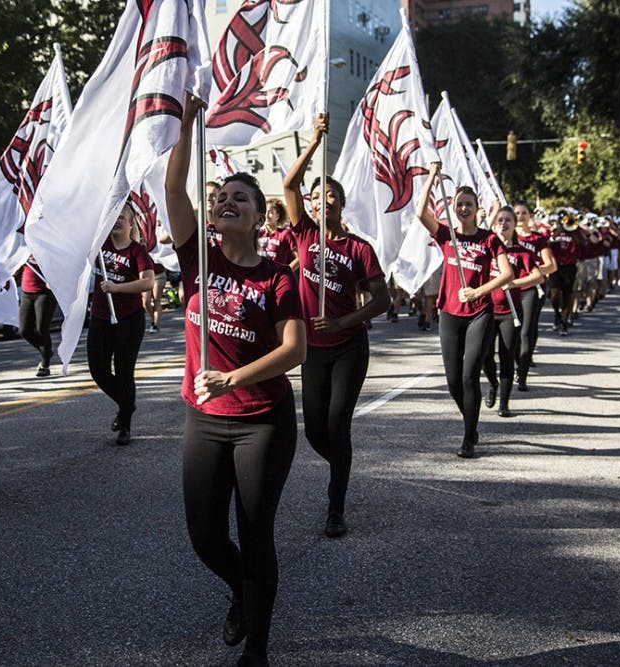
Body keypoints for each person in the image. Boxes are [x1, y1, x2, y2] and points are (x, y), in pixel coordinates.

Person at [166, 95, 305, 667]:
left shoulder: (277, 279)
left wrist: (233, 379)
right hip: (205, 419)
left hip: (261, 423)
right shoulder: (198, 256)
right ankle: (242, 591)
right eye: (220, 198)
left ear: (257, 213)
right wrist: (186, 124)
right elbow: (175, 191)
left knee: (255, 532)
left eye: (238, 199)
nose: (225, 203)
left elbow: (295, 349)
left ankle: (259, 647)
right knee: (204, 535)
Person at [283, 113, 391, 537]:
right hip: (312, 348)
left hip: (348, 345)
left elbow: (382, 300)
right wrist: (313, 141)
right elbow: (289, 186)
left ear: (341, 204)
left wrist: (344, 320)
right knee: (313, 429)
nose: (320, 200)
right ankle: (342, 465)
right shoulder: (305, 235)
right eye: (316, 197)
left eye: (329, 195)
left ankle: (336, 506)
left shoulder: (358, 248)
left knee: (337, 423)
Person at [416, 164, 512, 458]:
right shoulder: (446, 235)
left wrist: (478, 291)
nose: (464, 208)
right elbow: (420, 214)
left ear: (477, 208)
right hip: (450, 312)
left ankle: (468, 436)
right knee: (453, 381)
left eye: (469, 204)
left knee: (470, 376)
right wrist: (432, 177)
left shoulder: (489, 239)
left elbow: (506, 274)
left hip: (479, 312)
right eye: (460, 204)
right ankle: (470, 416)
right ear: (454, 208)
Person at [87, 204, 155, 445]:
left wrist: (117, 288)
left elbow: (147, 282)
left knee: (124, 371)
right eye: (113, 217)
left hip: (129, 319)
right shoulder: (98, 247)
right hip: (101, 317)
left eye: (122, 218)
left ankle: (125, 424)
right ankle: (128, 403)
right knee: (98, 370)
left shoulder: (137, 252)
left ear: (130, 224)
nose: (117, 221)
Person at [481, 207, 543, 417]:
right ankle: (492, 383)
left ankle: (504, 404)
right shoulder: (485, 249)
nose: (503, 224)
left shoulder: (522, 253)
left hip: (510, 312)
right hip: (487, 310)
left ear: (514, 226)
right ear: (493, 223)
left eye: (508, 220)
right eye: (500, 220)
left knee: (507, 356)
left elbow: (538, 277)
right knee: (484, 356)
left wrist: (514, 282)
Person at [513, 202, 555, 390]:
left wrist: (531, 271)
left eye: (524, 213)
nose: (520, 216)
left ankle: (522, 372)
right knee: (512, 330)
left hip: (531, 288)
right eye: (517, 213)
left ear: (530, 216)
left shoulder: (538, 239)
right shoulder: (506, 237)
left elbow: (551, 265)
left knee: (527, 329)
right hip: (511, 288)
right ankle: (515, 361)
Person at [19, 254, 57, 376]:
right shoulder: (22, 244)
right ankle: (46, 351)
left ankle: (45, 365)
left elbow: (61, 263)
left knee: (41, 328)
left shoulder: (47, 242)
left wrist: (55, 278)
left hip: (45, 292)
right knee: (24, 330)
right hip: (27, 292)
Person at [546, 211, 580, 336]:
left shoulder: (575, 232)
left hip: (570, 266)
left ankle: (564, 322)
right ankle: (557, 314)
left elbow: (582, 243)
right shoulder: (554, 232)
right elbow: (547, 245)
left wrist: (573, 232)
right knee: (554, 293)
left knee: (567, 294)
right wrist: (557, 234)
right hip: (556, 266)